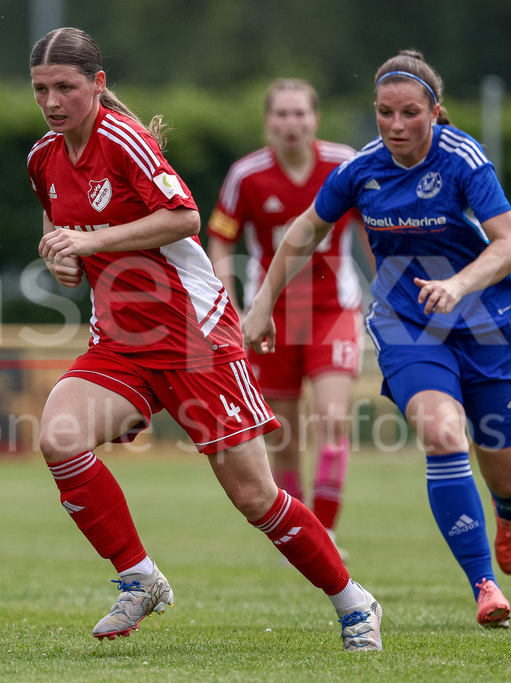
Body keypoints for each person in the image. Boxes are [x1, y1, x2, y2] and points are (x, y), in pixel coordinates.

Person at [26, 27, 382, 651]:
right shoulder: (43, 159)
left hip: (195, 338)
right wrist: (61, 255)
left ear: (98, 85)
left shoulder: (123, 141)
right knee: (59, 436)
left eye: (66, 88)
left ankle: (354, 602)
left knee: (253, 496)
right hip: (120, 340)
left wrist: (88, 242)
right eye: (41, 90)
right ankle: (139, 578)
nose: (53, 102)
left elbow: (184, 216)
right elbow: (60, 230)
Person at [242, 50, 511, 629]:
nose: (396, 126)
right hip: (408, 329)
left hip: (485, 328)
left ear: (435, 112)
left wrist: (458, 283)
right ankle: (483, 586)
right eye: (384, 113)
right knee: (441, 432)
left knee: (503, 469)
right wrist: (262, 302)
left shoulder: (463, 159)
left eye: (409, 114)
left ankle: (509, 512)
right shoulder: (360, 170)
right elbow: (304, 232)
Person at [207, 79, 370, 559]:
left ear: (315, 119)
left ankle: (327, 532)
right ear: (268, 122)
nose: (291, 123)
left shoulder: (344, 164)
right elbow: (221, 236)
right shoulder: (247, 175)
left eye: (300, 114)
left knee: (334, 418)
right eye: (282, 114)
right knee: (283, 436)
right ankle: (301, 534)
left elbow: (371, 230)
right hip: (270, 317)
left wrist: (390, 295)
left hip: (333, 310)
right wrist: (230, 302)